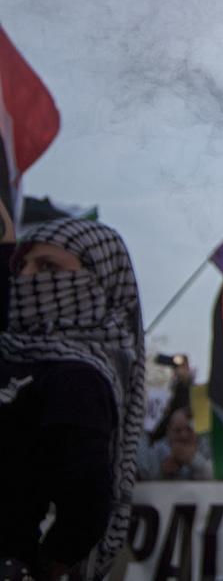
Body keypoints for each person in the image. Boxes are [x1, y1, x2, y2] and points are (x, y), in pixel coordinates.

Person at [0, 218, 147, 580]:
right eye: (21, 265)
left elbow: (86, 497)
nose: (26, 277)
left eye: (48, 267)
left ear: (98, 285)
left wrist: (51, 563)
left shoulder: (77, 377)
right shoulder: (12, 350)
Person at [144, 407, 214, 480]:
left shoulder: (208, 447)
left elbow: (219, 475)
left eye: (189, 429)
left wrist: (193, 459)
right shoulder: (157, 450)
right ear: (169, 431)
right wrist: (162, 472)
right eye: (177, 431)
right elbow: (144, 476)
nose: (183, 435)